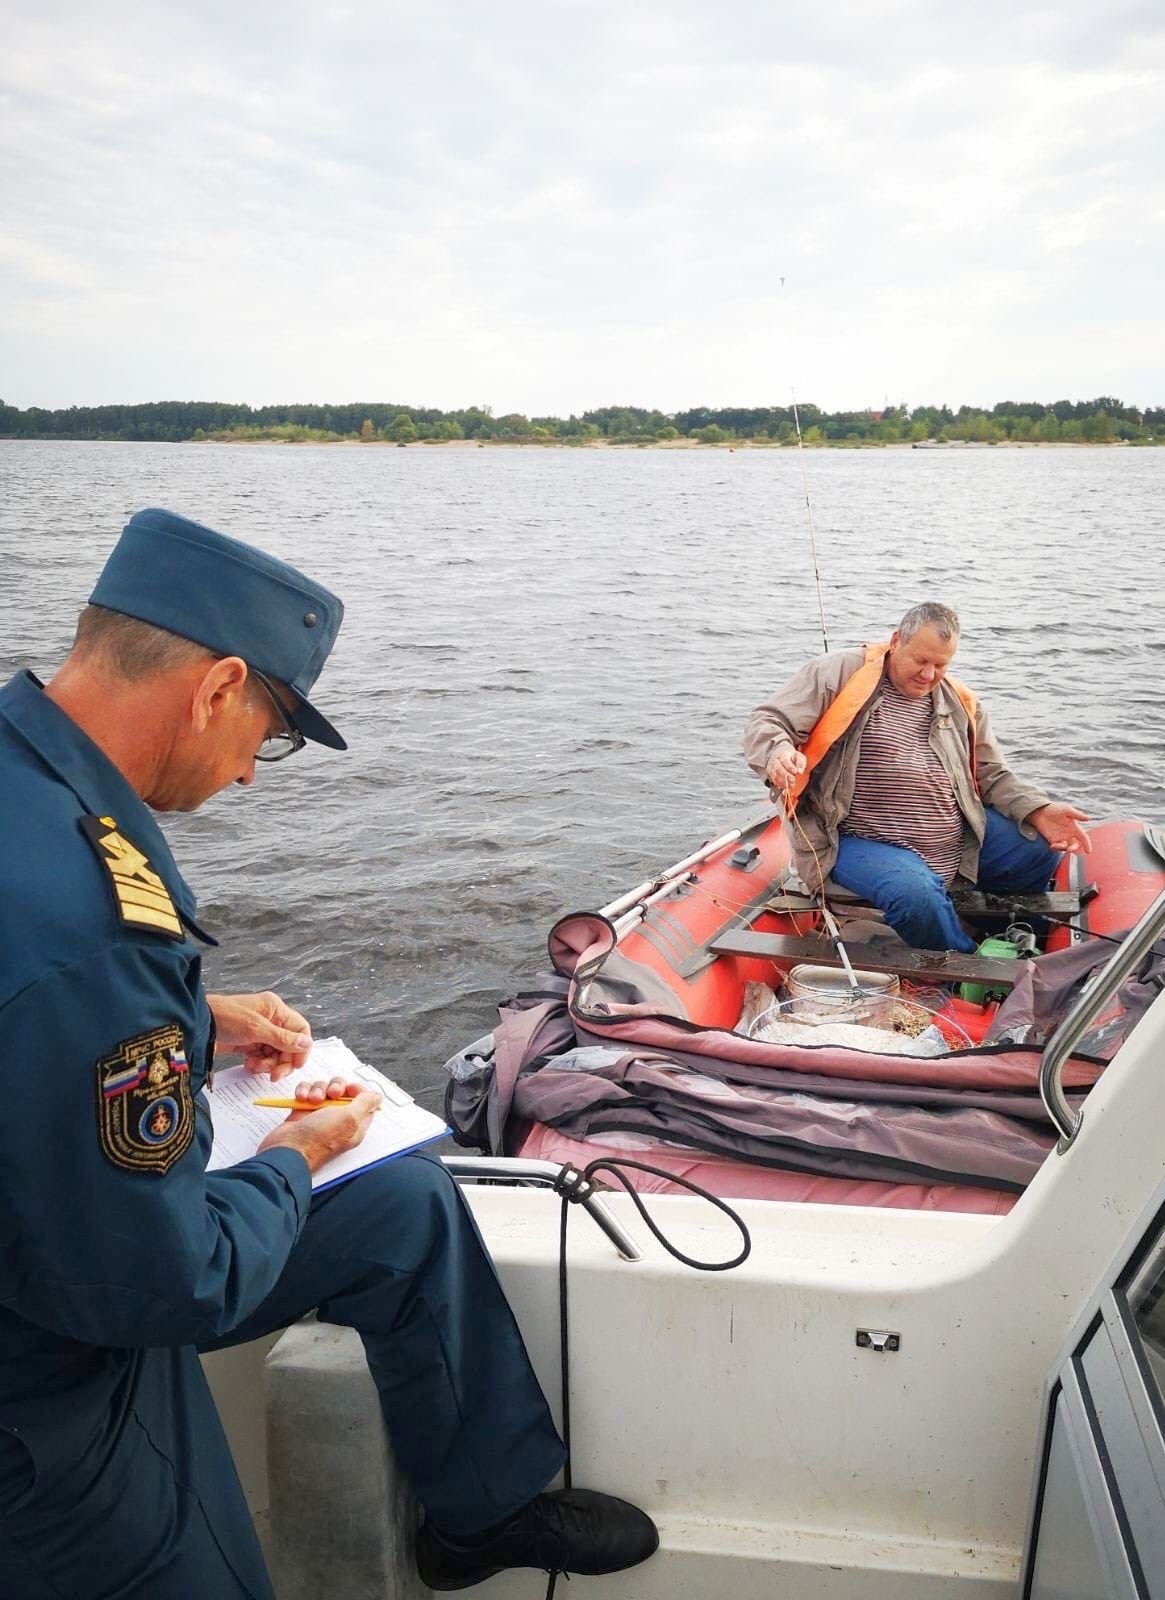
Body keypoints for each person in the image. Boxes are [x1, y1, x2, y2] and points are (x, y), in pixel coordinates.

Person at [0, 507, 657, 1598]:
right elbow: (174, 1282)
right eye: (266, 737)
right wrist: (299, 1151)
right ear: (215, 688)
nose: (251, 774)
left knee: (402, 1208)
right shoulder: (91, 915)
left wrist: (195, 1025)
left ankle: (479, 1509)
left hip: (55, 1233)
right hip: (56, 1375)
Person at [742, 602, 1091, 953]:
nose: (929, 674)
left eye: (941, 664)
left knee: (1038, 848)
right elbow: (768, 722)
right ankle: (965, 961)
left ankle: (1004, 929)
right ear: (896, 641)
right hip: (855, 838)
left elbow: (991, 773)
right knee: (913, 893)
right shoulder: (840, 673)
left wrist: (1038, 809)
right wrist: (778, 754)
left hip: (951, 837)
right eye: (920, 661)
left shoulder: (960, 701)